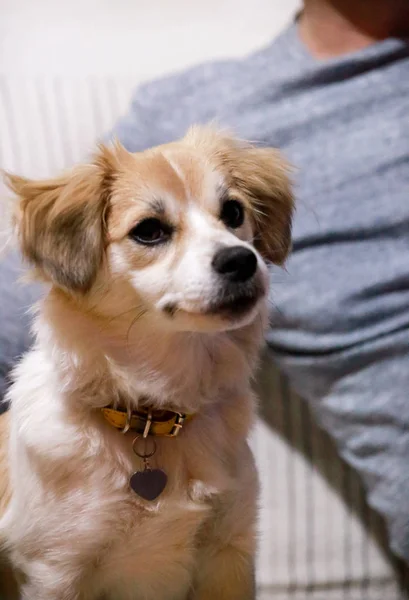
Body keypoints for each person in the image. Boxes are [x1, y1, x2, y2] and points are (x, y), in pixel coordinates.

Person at [1, 0, 409, 566]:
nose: (234, 252)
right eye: (151, 230)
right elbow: (32, 288)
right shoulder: (196, 106)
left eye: (234, 215)